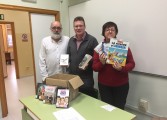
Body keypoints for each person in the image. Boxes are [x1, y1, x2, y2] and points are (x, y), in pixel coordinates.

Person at [92, 21, 135, 110]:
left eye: (112, 30)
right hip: (104, 86)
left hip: (121, 85)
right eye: (107, 29)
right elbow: (94, 68)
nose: (110, 31)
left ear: (116, 32)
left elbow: (132, 64)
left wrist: (121, 68)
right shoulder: (99, 48)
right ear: (103, 32)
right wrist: (102, 63)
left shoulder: (122, 46)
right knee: (108, 110)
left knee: (119, 109)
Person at [67, 16, 98, 97]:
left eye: (80, 26)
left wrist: (89, 62)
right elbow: (68, 56)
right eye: (76, 26)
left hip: (86, 79)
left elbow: (97, 57)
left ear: (85, 26)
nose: (78, 28)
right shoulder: (71, 40)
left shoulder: (92, 40)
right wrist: (65, 63)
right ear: (74, 27)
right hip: (73, 77)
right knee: (74, 100)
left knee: (86, 101)